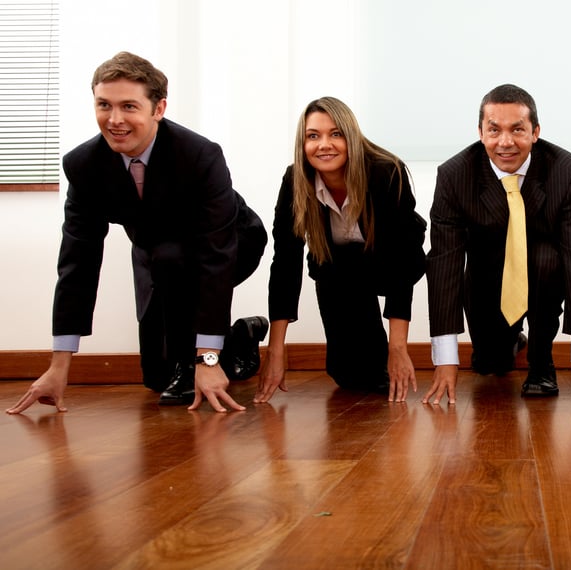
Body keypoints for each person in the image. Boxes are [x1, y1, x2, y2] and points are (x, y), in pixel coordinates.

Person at [6, 51, 268, 415]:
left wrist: (206, 360)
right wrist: (58, 365)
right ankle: (241, 335)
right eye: (104, 105)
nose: (114, 120)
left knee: (176, 269)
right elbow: (77, 263)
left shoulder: (200, 155)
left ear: (158, 108)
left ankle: (202, 358)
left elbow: (215, 255)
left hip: (232, 240)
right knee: (158, 377)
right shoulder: (83, 165)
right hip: (155, 251)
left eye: (129, 106)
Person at [423, 84, 571, 405]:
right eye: (494, 130)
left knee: (546, 258)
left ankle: (541, 361)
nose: (505, 142)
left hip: (545, 274)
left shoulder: (568, 171)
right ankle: (508, 342)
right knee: (490, 365)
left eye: (518, 130)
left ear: (536, 132)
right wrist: (445, 360)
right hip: (487, 273)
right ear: (480, 133)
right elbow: (444, 263)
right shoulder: (455, 175)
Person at [255, 97, 426, 403]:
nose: (324, 145)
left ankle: (382, 351)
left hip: (392, 261)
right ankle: (367, 357)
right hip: (340, 271)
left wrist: (397, 348)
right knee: (350, 376)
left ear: (351, 137)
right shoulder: (294, 180)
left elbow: (401, 262)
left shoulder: (385, 172)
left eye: (336, 134)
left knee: (380, 367)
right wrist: (275, 349)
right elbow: (285, 262)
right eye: (313, 136)